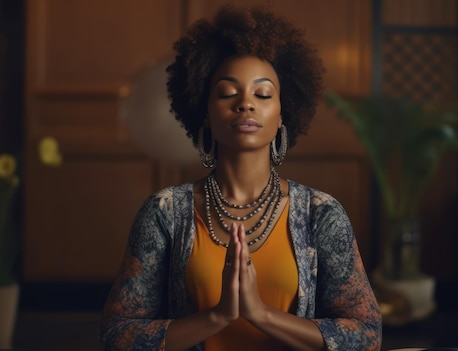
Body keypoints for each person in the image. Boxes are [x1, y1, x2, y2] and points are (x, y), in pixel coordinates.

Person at [101, 3, 382, 351]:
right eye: (227, 93)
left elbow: (367, 335)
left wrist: (261, 315)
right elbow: (117, 336)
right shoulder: (165, 212)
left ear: (283, 115)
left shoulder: (321, 214)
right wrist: (217, 317)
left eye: (262, 94)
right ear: (204, 113)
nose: (245, 104)